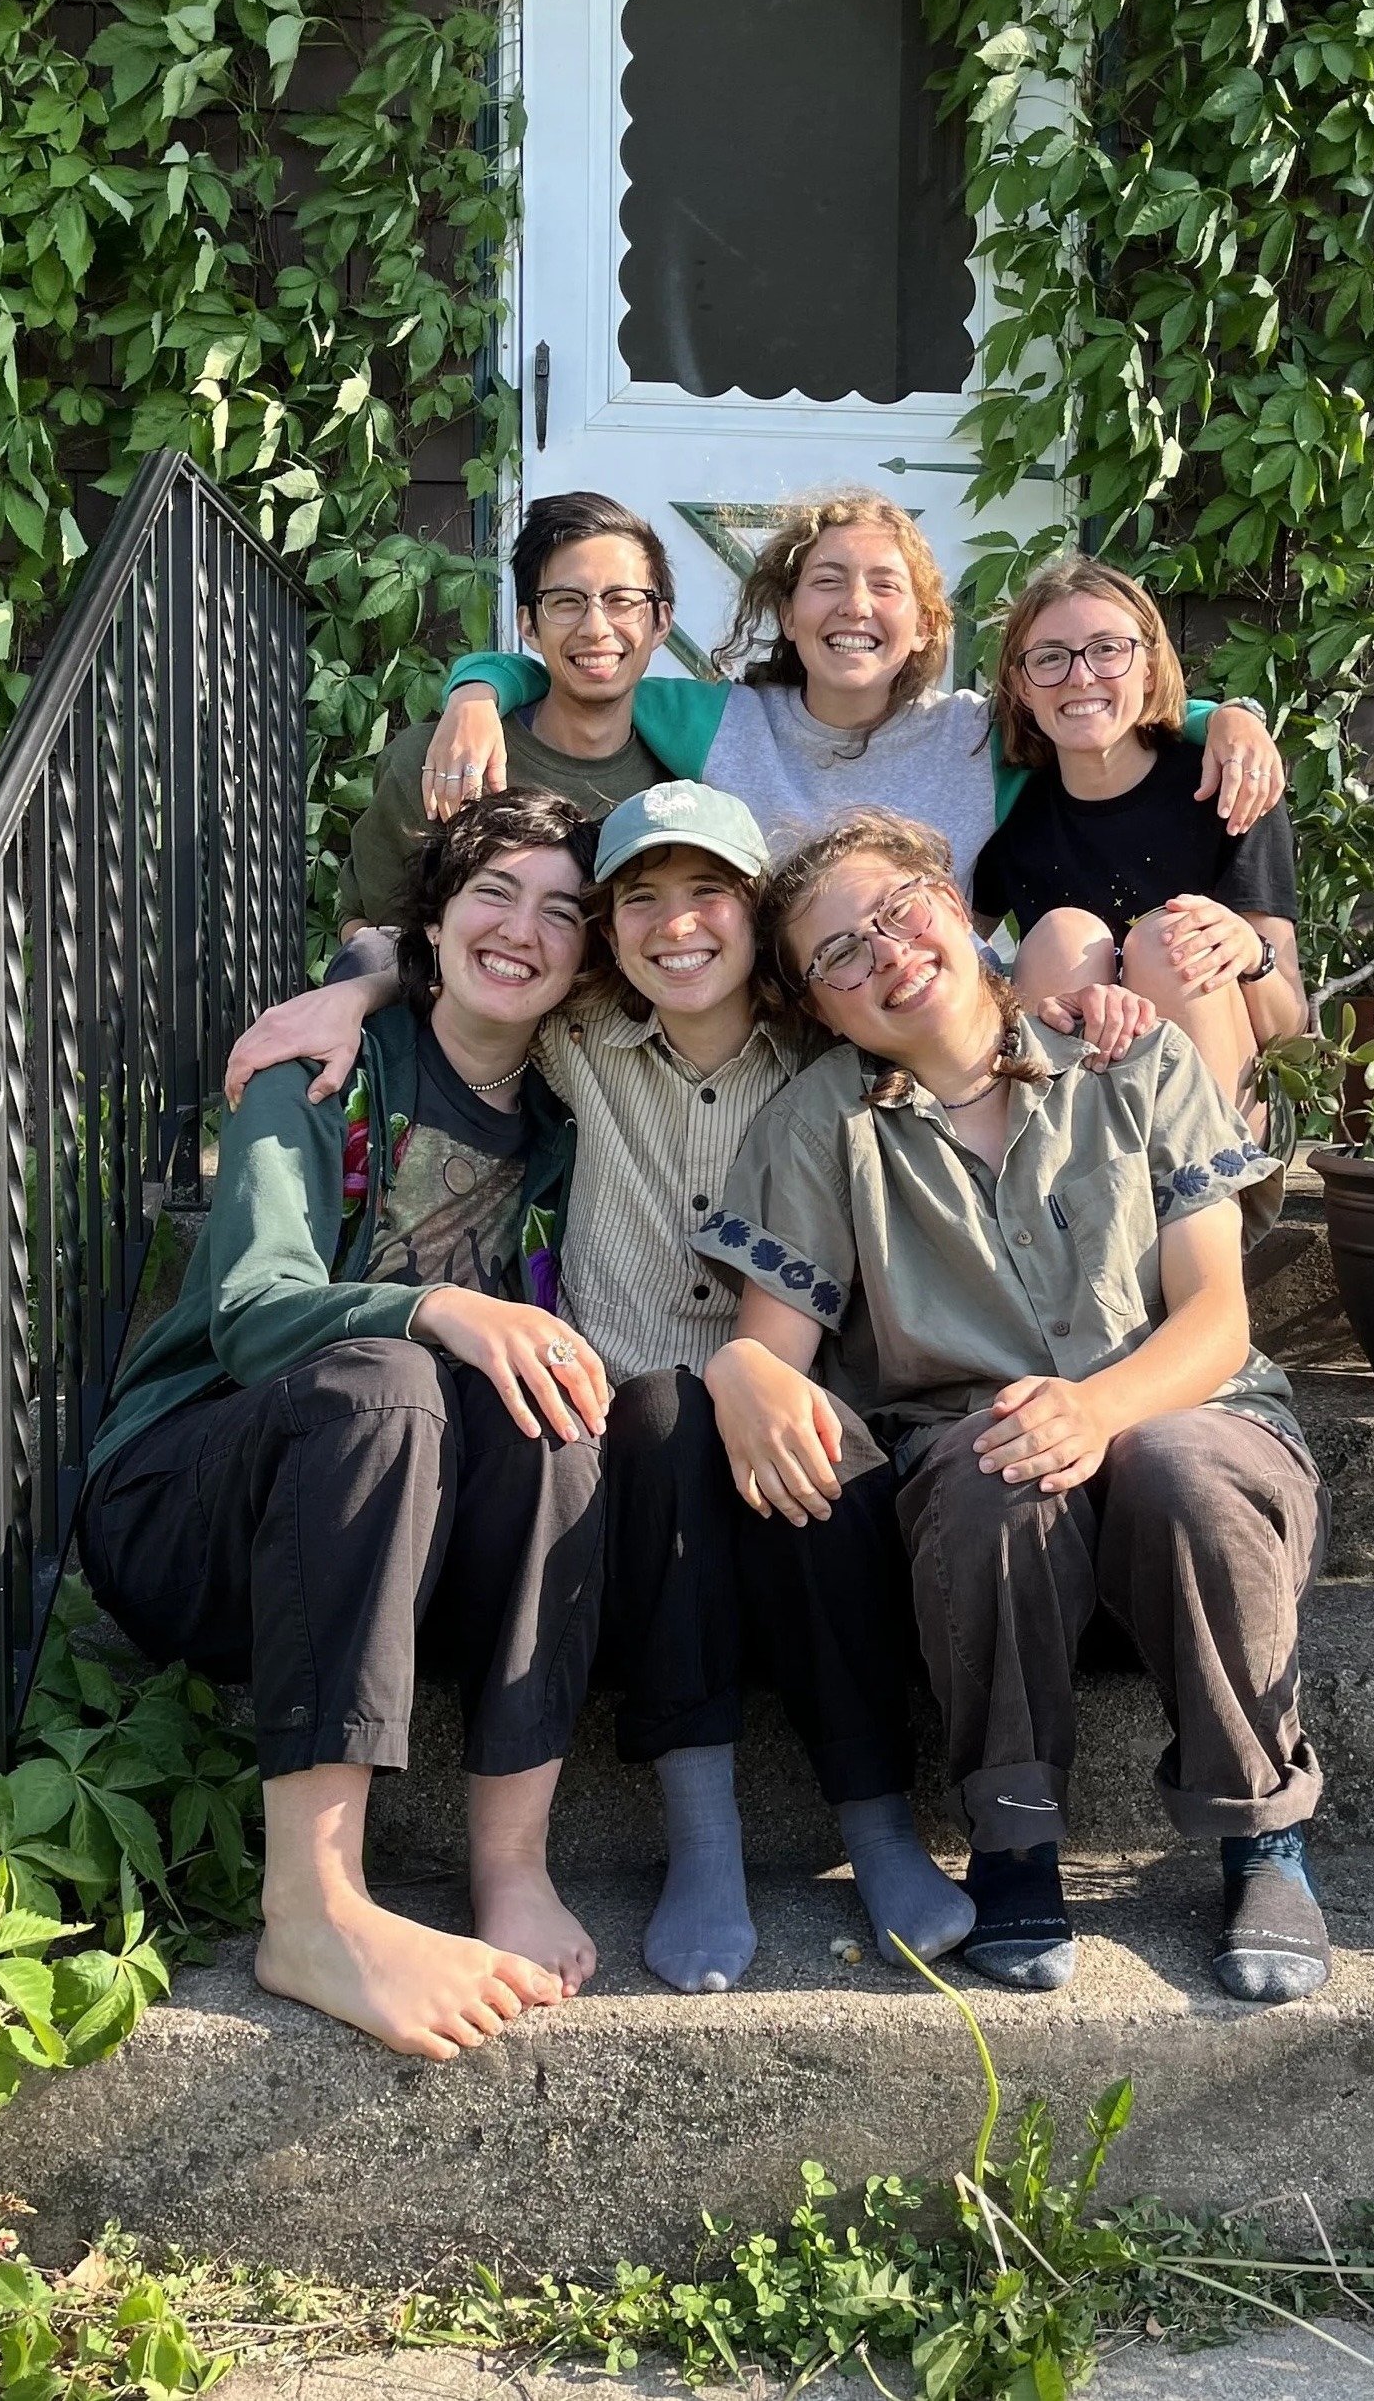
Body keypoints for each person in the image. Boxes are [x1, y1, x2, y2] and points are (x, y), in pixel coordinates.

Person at [223, 782, 991, 1992]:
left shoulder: (830, 1049)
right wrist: (355, 988)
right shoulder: (574, 1039)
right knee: (663, 1417)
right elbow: (465, 976)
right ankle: (705, 1841)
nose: (677, 926)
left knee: (820, 1447)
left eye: (710, 896)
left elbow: (967, 1010)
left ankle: (881, 1829)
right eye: (640, 901)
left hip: (782, 1399)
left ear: (758, 918)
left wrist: (1089, 989)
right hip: (632, 1446)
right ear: (608, 938)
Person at [696, 810, 1333, 2004]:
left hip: (1190, 1419)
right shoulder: (821, 1123)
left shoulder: (1130, 1059)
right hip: (982, 1495)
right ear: (820, 1008)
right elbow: (770, 1354)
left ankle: (1262, 1836)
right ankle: (1016, 1841)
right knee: (994, 1468)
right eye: (840, 955)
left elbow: (1215, 1319)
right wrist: (739, 1372)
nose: (888, 954)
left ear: (954, 905)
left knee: (1180, 1465)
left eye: (900, 912)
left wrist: (1096, 1411)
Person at [78, 791, 611, 2059]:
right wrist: (442, 1307)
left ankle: (510, 1866)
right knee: (387, 1377)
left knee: (556, 1404)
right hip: (193, 1507)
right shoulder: (319, 1070)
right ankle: (314, 1908)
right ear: (432, 920)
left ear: (588, 959)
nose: (522, 930)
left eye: (562, 912)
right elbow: (254, 1313)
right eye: (493, 893)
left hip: (389, 1549)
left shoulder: (566, 1127)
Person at [417, 490, 1285, 893]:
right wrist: (475, 693)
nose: (855, 607)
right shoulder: (715, 721)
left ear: (924, 624)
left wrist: (1222, 720)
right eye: (826, 582)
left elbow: (1093, 707)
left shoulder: (981, 736)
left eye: (884, 587)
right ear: (787, 615)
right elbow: (577, 671)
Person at [976, 557, 1309, 1113]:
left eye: (1108, 649)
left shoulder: (1226, 784)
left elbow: (1288, 1029)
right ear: (1022, 685)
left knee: (1170, 938)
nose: (1081, 676)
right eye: (1050, 657)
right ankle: (1053, 1159)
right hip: (1083, 1105)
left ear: (1149, 668)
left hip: (1222, 1105)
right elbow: (954, 950)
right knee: (1061, 938)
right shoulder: (1011, 812)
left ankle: (1205, 1168)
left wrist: (1253, 954)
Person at [333, 492, 677, 936]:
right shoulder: (438, 764)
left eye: (622, 600)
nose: (595, 628)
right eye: (566, 601)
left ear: (660, 622)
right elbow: (370, 933)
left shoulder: (690, 779)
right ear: (529, 625)